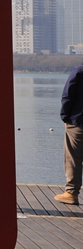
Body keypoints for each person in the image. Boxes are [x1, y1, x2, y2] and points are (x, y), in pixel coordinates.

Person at [56, 63, 83, 205]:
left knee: (73, 157)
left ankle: (71, 193)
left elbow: (68, 95)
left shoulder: (79, 70)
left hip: (78, 121)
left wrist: (65, 117)